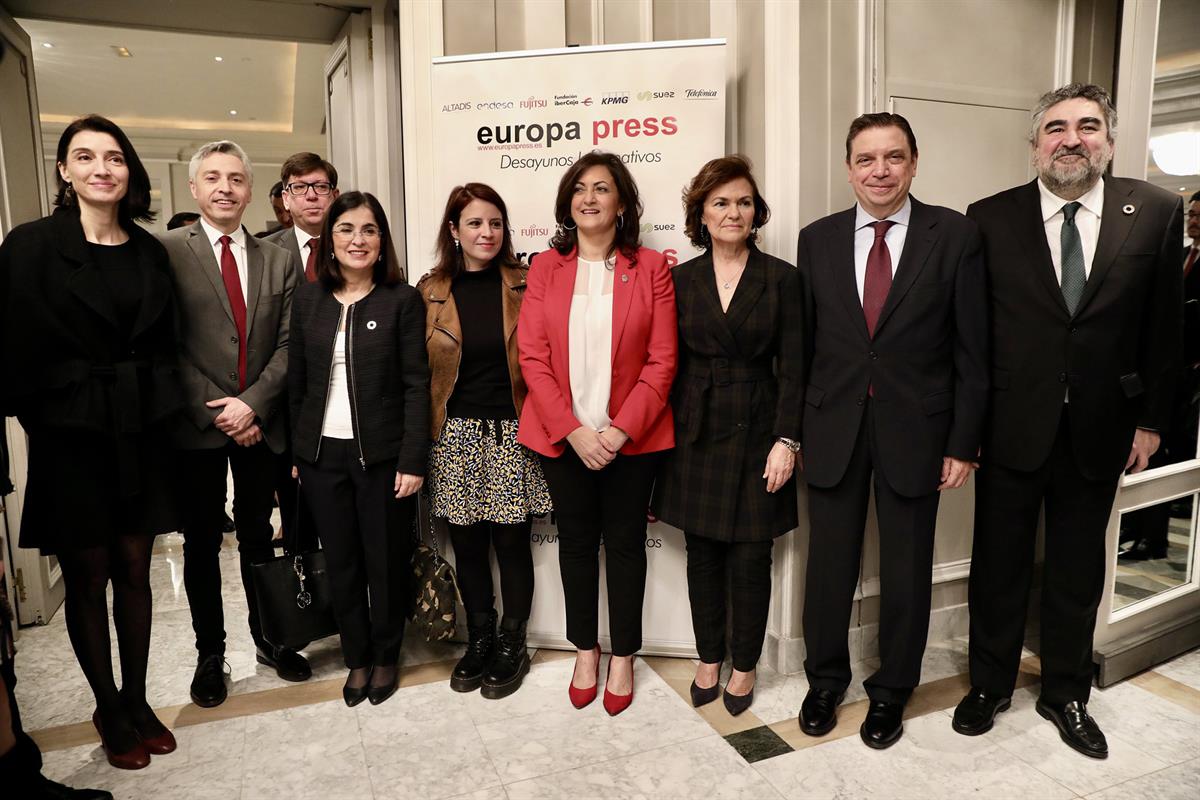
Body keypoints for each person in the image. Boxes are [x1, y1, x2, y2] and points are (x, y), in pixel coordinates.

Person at [953, 84, 1183, 759]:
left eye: (1087, 127)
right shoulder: (988, 218)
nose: (1070, 139)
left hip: (1102, 426)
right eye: (1056, 128)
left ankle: (1065, 693)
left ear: (1108, 142)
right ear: (1034, 147)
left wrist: (1150, 422)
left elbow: (1164, 330)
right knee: (998, 564)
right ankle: (989, 684)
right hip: (1009, 424)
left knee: (1078, 567)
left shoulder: (1156, 212)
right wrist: (967, 432)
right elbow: (974, 336)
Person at [795, 113, 988, 749]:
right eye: (866, 159)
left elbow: (972, 348)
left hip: (918, 430)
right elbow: (804, 347)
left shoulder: (954, 235)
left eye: (894, 157)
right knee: (829, 565)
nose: (880, 170)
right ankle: (824, 680)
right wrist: (793, 433)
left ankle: (892, 690)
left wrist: (963, 441)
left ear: (913, 162)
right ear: (849, 167)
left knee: (907, 568)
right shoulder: (816, 239)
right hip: (832, 427)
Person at [0, 115, 183, 769]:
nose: (103, 167)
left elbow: (168, 344)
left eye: (114, 157)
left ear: (128, 170)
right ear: (64, 171)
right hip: (72, 436)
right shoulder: (31, 247)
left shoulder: (149, 251)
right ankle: (106, 705)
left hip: (139, 432)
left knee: (136, 572)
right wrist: (52, 411)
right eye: (86, 156)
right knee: (88, 576)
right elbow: (11, 351)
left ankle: (136, 700)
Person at [518, 151, 677, 716]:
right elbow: (532, 358)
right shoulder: (545, 267)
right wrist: (574, 432)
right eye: (580, 188)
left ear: (622, 203)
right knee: (578, 548)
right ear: (568, 203)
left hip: (632, 442)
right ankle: (586, 650)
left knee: (628, 549)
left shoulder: (652, 267)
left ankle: (624, 656)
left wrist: (617, 432)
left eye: (602, 188)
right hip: (564, 442)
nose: (589, 197)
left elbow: (662, 362)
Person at [159, 140, 309, 711]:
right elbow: (165, 346)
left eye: (237, 178)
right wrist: (224, 408)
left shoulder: (279, 257)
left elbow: (292, 343)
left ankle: (271, 638)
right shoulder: (166, 250)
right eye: (213, 178)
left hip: (261, 424)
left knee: (259, 537)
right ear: (195, 188)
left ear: (251, 190)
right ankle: (209, 653)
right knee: (201, 542)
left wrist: (254, 404)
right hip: (197, 428)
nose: (226, 187)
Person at [652, 156, 803, 716]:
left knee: (750, 556)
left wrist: (788, 440)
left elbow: (796, 368)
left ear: (755, 211)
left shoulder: (783, 279)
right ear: (701, 213)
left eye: (742, 201)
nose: (732, 211)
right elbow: (666, 366)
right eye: (720, 202)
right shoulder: (679, 279)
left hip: (761, 429)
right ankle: (708, 656)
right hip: (695, 430)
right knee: (703, 556)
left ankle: (743, 665)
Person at [289, 191, 430, 707]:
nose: (357, 239)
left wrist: (414, 459)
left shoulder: (401, 300)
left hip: (385, 459)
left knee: (384, 561)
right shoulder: (307, 301)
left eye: (369, 230)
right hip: (322, 456)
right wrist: (299, 454)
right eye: (346, 229)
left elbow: (417, 384)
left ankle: (387, 654)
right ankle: (357, 658)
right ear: (330, 240)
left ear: (381, 240)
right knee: (342, 561)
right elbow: (299, 383)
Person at [418, 183, 551, 699]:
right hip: (453, 435)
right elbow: (419, 375)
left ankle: (512, 643)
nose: (486, 233)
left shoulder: (526, 282)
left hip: (514, 433)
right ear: (454, 230)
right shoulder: (430, 292)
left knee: (512, 544)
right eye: (474, 223)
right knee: (468, 547)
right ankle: (480, 639)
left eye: (495, 223)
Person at [264, 153, 340, 545]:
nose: (311, 196)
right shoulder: (264, 254)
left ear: (334, 194)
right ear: (286, 198)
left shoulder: (356, 248)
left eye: (320, 187)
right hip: (283, 418)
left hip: (345, 413)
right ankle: (307, 602)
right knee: (298, 533)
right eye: (299, 188)